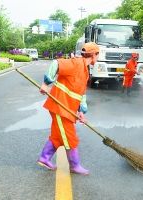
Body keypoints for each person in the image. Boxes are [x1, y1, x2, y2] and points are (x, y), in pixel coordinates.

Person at [37, 42, 100, 175]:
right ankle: (75, 165)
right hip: (60, 107)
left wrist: (81, 112)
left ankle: (44, 158)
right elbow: (56, 63)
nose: (98, 58)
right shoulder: (77, 63)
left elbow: (80, 94)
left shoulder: (85, 70)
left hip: (67, 109)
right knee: (70, 137)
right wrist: (46, 83)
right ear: (94, 55)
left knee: (57, 136)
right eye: (98, 55)